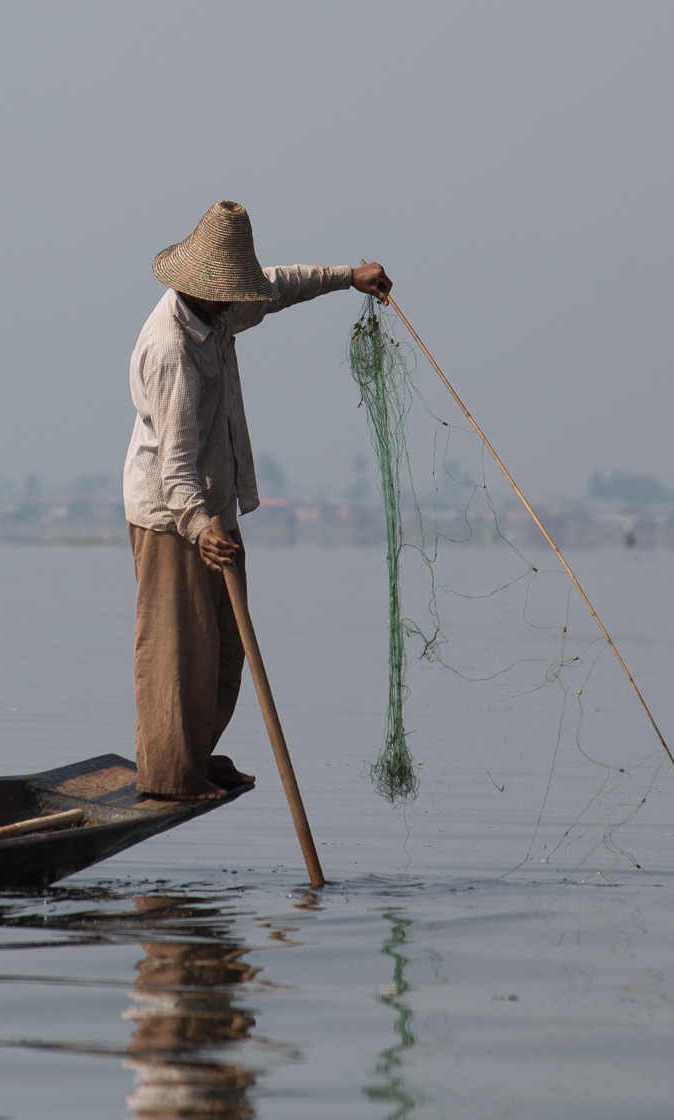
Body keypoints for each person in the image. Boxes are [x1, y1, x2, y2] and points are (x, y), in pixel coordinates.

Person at [123, 200, 392, 799]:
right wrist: (198, 526)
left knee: (221, 648)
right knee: (177, 649)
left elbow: (278, 286)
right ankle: (170, 776)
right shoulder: (172, 350)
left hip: (208, 502)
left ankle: (195, 755)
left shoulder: (218, 312)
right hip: (172, 516)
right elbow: (174, 462)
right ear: (202, 286)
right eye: (228, 291)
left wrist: (348, 278)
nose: (237, 300)